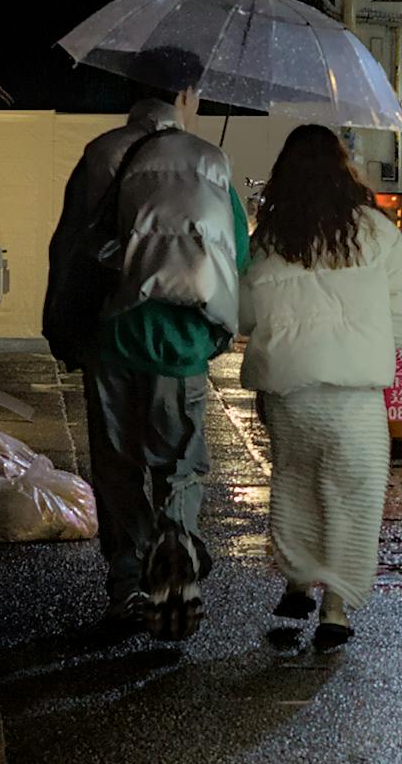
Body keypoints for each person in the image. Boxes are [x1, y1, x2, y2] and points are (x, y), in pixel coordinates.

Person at [43, 47, 249, 639]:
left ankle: (128, 585)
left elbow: (68, 248)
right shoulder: (211, 161)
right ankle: (177, 537)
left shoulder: (102, 152)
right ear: (187, 96)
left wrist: (61, 328)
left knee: (115, 464)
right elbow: (237, 250)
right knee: (179, 458)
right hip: (181, 336)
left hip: (111, 332)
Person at [236, 124, 402, 652]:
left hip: (290, 392)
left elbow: (245, 313)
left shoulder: (270, 237)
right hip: (353, 394)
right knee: (352, 495)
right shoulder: (372, 229)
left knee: (296, 485)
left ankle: (297, 581)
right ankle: (335, 610)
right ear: (342, 169)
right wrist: (374, 343)